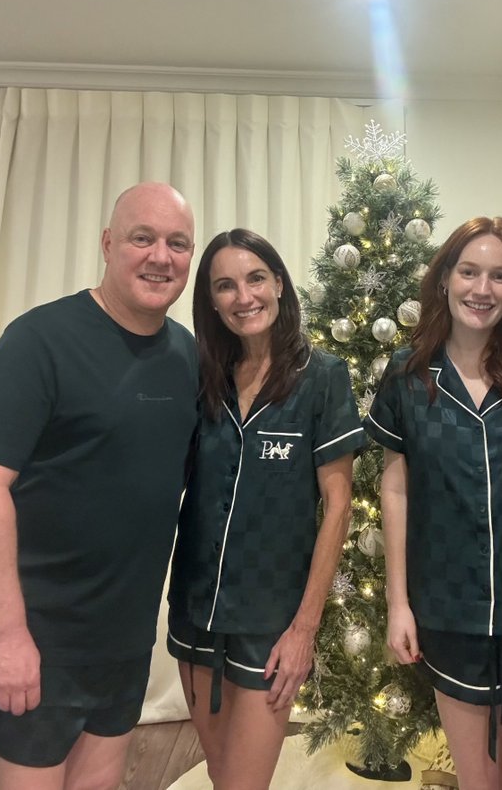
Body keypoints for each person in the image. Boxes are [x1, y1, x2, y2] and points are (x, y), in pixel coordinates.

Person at [0, 182, 198, 790]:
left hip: (126, 643)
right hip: (40, 641)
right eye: (143, 237)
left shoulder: (186, 355)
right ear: (108, 244)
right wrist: (5, 636)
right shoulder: (37, 342)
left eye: (178, 243)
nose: (161, 256)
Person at [167, 228, 363, 790]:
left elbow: (339, 505)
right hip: (196, 611)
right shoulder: (204, 378)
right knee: (223, 775)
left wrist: (304, 629)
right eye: (224, 286)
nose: (243, 296)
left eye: (255, 278)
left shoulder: (321, 377)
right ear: (211, 300)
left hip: (271, 625)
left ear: (278, 282)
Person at [365, 217, 502, 790]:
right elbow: (394, 491)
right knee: (479, 781)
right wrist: (398, 604)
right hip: (449, 611)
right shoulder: (407, 376)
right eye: (469, 271)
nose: (483, 289)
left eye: (500, 276)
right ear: (445, 278)